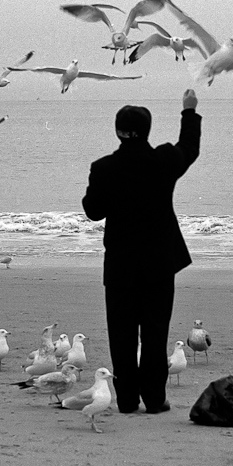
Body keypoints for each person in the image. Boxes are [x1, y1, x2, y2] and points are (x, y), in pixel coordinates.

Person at [82, 89, 202, 414]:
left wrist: (98, 191)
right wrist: (189, 111)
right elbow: (189, 148)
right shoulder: (162, 161)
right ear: (147, 131)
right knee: (154, 335)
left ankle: (125, 399)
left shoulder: (104, 167)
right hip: (159, 265)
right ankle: (153, 398)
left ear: (117, 131)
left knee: (121, 337)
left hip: (120, 266)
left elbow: (93, 211)